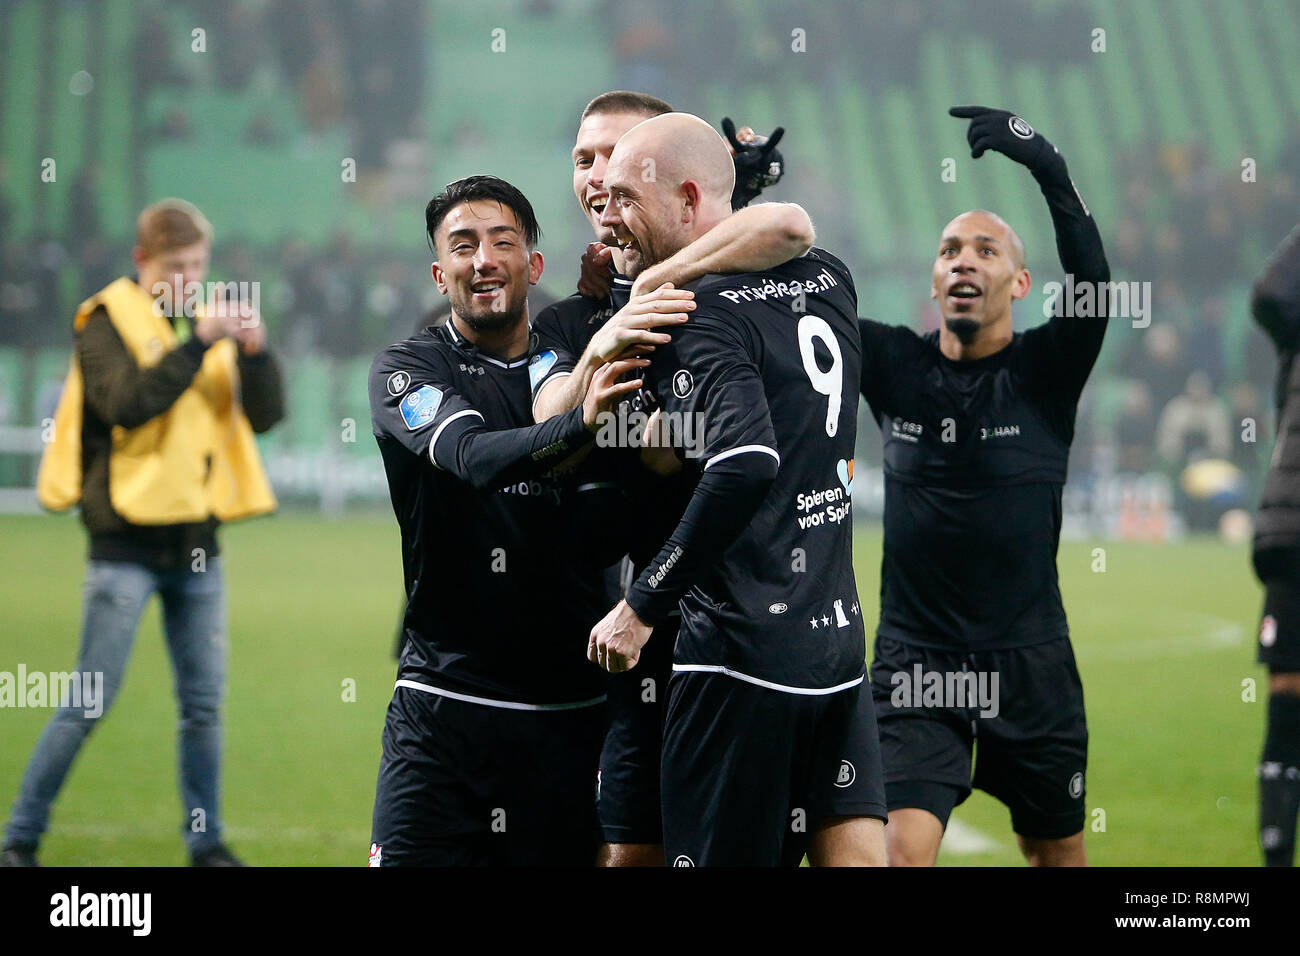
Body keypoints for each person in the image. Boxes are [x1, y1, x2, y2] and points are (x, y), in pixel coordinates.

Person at [588, 113, 887, 867]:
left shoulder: (694, 314)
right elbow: (782, 229)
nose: (606, 214)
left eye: (625, 197)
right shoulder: (830, 276)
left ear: (688, 199)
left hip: (738, 658)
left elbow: (747, 459)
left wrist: (640, 605)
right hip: (837, 646)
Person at [531, 90, 814, 867]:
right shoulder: (573, 317)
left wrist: (739, 195)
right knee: (627, 853)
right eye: (584, 161)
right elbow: (545, 427)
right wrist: (606, 353)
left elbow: (786, 227)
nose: (598, 178)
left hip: (741, 619)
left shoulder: (716, 285)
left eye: (619, 162)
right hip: (628, 620)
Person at [367, 175, 644, 866]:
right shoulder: (410, 369)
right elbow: (470, 455)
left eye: (502, 242)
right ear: (440, 273)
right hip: (442, 707)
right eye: (462, 246)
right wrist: (581, 426)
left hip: (572, 718)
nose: (482, 259)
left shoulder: (581, 367)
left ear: (533, 264)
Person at [858, 107, 1109, 866]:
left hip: (1030, 666)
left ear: (1021, 282)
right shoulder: (894, 363)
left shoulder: (1045, 373)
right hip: (915, 663)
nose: (963, 260)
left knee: (1055, 855)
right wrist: (743, 200)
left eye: (986, 249)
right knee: (898, 856)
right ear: (934, 281)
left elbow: (1095, 282)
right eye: (949, 250)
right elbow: (792, 302)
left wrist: (1046, 164)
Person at [2, 199, 283, 867]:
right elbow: (125, 402)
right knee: (88, 702)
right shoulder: (103, 319)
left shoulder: (204, 323)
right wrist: (200, 342)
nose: (190, 278)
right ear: (142, 262)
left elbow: (265, 417)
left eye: (198, 266)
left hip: (197, 546)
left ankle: (205, 842)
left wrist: (257, 353)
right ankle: (20, 839)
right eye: (177, 267)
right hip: (122, 547)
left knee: (203, 708)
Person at [1249, 222, 1300, 866]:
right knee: (1289, 696)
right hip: (1296, 532)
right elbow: (1268, 293)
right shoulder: (1296, 327)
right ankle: (1276, 860)